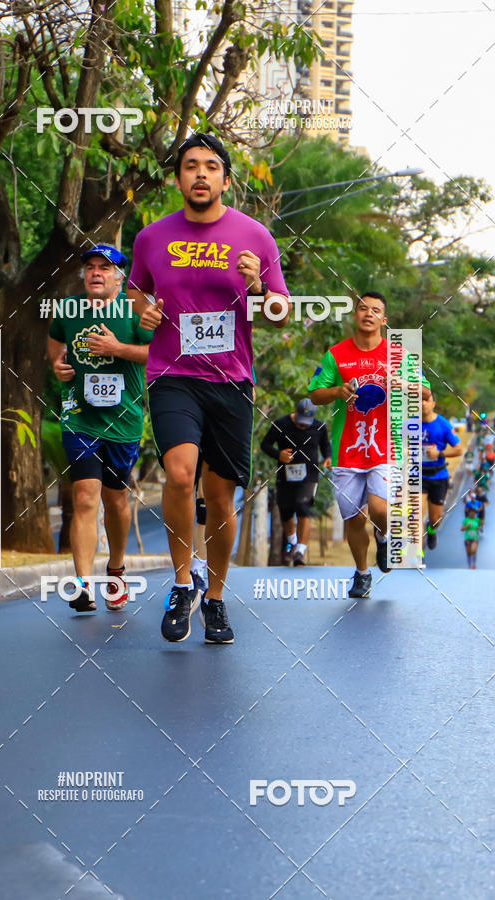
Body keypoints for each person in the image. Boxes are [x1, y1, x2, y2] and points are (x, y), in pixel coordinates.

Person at [127, 132, 289, 644]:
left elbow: (281, 314)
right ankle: (180, 584)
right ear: (177, 178)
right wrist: (142, 310)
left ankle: (215, 598)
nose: (200, 174)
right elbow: (136, 288)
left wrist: (260, 288)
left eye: (211, 166)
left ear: (224, 178)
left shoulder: (255, 236)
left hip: (231, 380)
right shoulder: (151, 237)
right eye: (191, 165)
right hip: (172, 375)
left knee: (220, 498)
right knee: (179, 475)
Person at [48, 244, 152, 612]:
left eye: (104, 268)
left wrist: (118, 348)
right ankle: (82, 584)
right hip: (80, 416)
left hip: (123, 420)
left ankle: (116, 569)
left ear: (119, 277)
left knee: (116, 498)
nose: (96, 273)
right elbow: (56, 342)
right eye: (90, 267)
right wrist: (57, 365)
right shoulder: (68, 308)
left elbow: (158, 356)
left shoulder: (136, 311)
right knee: (85, 496)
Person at [309, 291, 431, 598]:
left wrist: (404, 384)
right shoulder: (336, 354)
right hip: (346, 449)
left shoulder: (400, 356)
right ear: (355, 315)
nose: (368, 313)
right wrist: (337, 391)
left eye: (376, 310)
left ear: (384, 320)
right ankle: (362, 574)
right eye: (363, 308)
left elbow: (427, 394)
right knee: (352, 518)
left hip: (386, 447)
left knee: (378, 507)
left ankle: (384, 533)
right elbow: (314, 394)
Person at [260, 397, 331, 566]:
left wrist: (328, 457)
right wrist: (279, 454)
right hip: (285, 474)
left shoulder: (319, 426)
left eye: (307, 423)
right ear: (295, 414)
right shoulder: (280, 424)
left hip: (309, 475)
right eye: (300, 422)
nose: (303, 426)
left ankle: (300, 550)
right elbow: (265, 445)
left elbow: (325, 445)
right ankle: (292, 541)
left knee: (303, 506)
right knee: (285, 510)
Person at [421, 392, 462, 550]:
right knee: (415, 516)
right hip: (417, 475)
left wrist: (440, 453)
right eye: (420, 401)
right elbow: (396, 445)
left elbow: (458, 450)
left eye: (427, 400)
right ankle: (415, 554)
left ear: (433, 404)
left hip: (438, 476)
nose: (423, 403)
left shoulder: (443, 425)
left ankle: (431, 530)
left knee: (435, 519)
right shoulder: (409, 424)